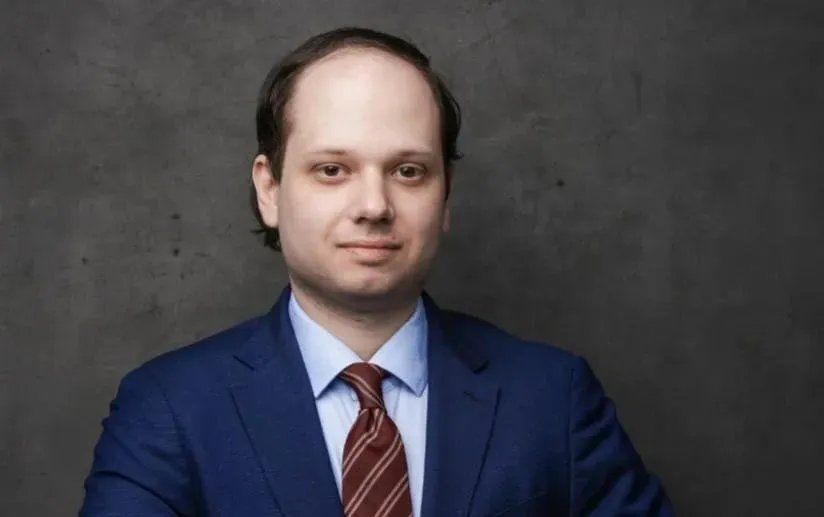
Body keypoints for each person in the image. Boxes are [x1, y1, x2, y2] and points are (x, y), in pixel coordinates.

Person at [81, 27, 674, 516]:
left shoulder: (553, 398)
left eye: (408, 171)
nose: (374, 205)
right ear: (270, 189)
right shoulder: (167, 408)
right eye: (332, 170)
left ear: (445, 194)